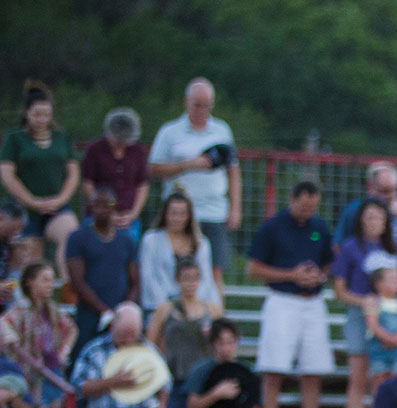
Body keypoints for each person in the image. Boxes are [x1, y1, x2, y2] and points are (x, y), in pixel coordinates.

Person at [245, 180, 336, 408]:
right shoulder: (272, 227)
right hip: (282, 300)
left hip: (313, 302)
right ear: (293, 199)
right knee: (273, 369)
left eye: (313, 207)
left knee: (313, 370)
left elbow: (330, 259)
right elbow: (254, 268)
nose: (309, 211)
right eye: (305, 205)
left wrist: (321, 275)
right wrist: (291, 275)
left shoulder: (319, 228)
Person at [147, 78, 240, 296]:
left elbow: (233, 170)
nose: (201, 110)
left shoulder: (222, 130)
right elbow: (152, 168)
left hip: (214, 212)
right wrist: (188, 164)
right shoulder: (170, 132)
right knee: (180, 271)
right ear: (186, 102)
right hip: (180, 216)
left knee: (215, 271)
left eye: (206, 105)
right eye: (197, 104)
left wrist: (235, 208)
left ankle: (217, 320)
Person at [329, 196, 397, 408]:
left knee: (382, 381)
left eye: (379, 216)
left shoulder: (394, 246)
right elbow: (339, 290)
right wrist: (364, 303)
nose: (374, 221)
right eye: (369, 216)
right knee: (357, 380)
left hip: (391, 317)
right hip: (360, 316)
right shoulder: (349, 247)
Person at [146, 256, 221, 408]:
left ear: (200, 280)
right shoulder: (165, 309)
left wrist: (211, 337)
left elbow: (224, 345)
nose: (190, 283)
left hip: (202, 386)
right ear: (177, 280)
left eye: (194, 278)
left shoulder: (212, 310)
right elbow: (149, 347)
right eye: (185, 278)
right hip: (173, 384)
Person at [0, 82, 80, 269]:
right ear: (27, 113)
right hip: (24, 209)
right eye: (36, 114)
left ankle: (69, 289)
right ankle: (33, 295)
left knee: (70, 237)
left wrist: (61, 199)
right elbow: (8, 175)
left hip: (56, 206)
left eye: (46, 114)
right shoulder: (14, 138)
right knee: (31, 260)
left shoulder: (62, 138)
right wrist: (32, 201)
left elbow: (73, 172)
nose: (41, 119)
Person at [0, 260, 75, 408]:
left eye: (51, 280)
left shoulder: (51, 309)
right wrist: (14, 344)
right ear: (29, 282)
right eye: (45, 280)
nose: (50, 285)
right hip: (33, 378)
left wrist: (63, 352)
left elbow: (71, 329)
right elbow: (5, 327)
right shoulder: (21, 309)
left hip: (53, 374)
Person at [65, 186, 139, 349]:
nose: (101, 209)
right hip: (89, 314)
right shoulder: (78, 238)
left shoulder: (126, 240)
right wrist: (104, 311)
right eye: (96, 204)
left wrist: (124, 311)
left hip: (120, 313)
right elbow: (77, 281)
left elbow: (135, 281)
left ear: (114, 206)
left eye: (106, 204)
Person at [332, 161, 397, 274]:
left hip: (395, 278)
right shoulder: (355, 210)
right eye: (384, 191)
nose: (390, 195)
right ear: (370, 186)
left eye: (394, 190)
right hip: (360, 278)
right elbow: (338, 246)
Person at [138, 191, 220, 313]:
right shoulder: (151, 240)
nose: (177, 218)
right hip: (158, 307)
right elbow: (148, 277)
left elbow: (206, 279)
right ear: (165, 214)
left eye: (182, 214)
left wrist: (193, 304)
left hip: (195, 308)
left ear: (189, 216)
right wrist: (168, 307)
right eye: (173, 213)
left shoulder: (201, 243)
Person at [80, 108, 149, 240]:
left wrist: (133, 214)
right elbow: (87, 183)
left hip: (128, 219)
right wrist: (105, 212)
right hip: (97, 217)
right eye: (117, 140)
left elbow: (142, 184)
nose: (120, 144)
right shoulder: (95, 150)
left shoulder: (137, 151)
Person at [361, 255, 397, 387]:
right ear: (378, 283)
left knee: (396, 379)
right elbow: (372, 324)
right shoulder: (372, 301)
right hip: (379, 347)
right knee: (378, 380)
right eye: (392, 279)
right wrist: (389, 339)